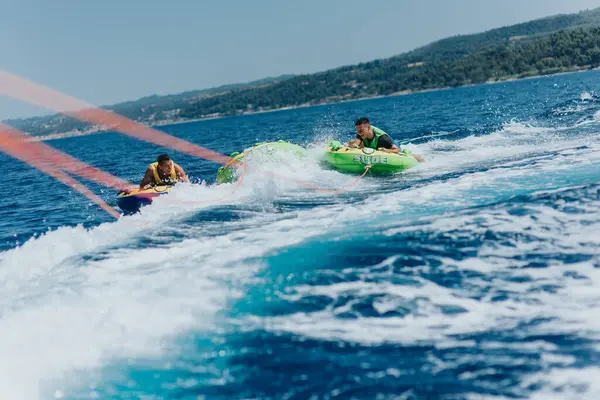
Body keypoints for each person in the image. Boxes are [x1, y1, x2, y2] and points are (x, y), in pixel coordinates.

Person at [347, 117, 424, 162]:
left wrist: (387, 151)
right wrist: (352, 145)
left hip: (388, 146)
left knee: (400, 153)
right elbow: (356, 142)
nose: (359, 133)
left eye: (361, 130)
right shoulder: (362, 133)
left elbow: (397, 150)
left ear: (369, 128)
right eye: (357, 130)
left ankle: (417, 157)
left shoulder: (383, 138)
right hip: (375, 147)